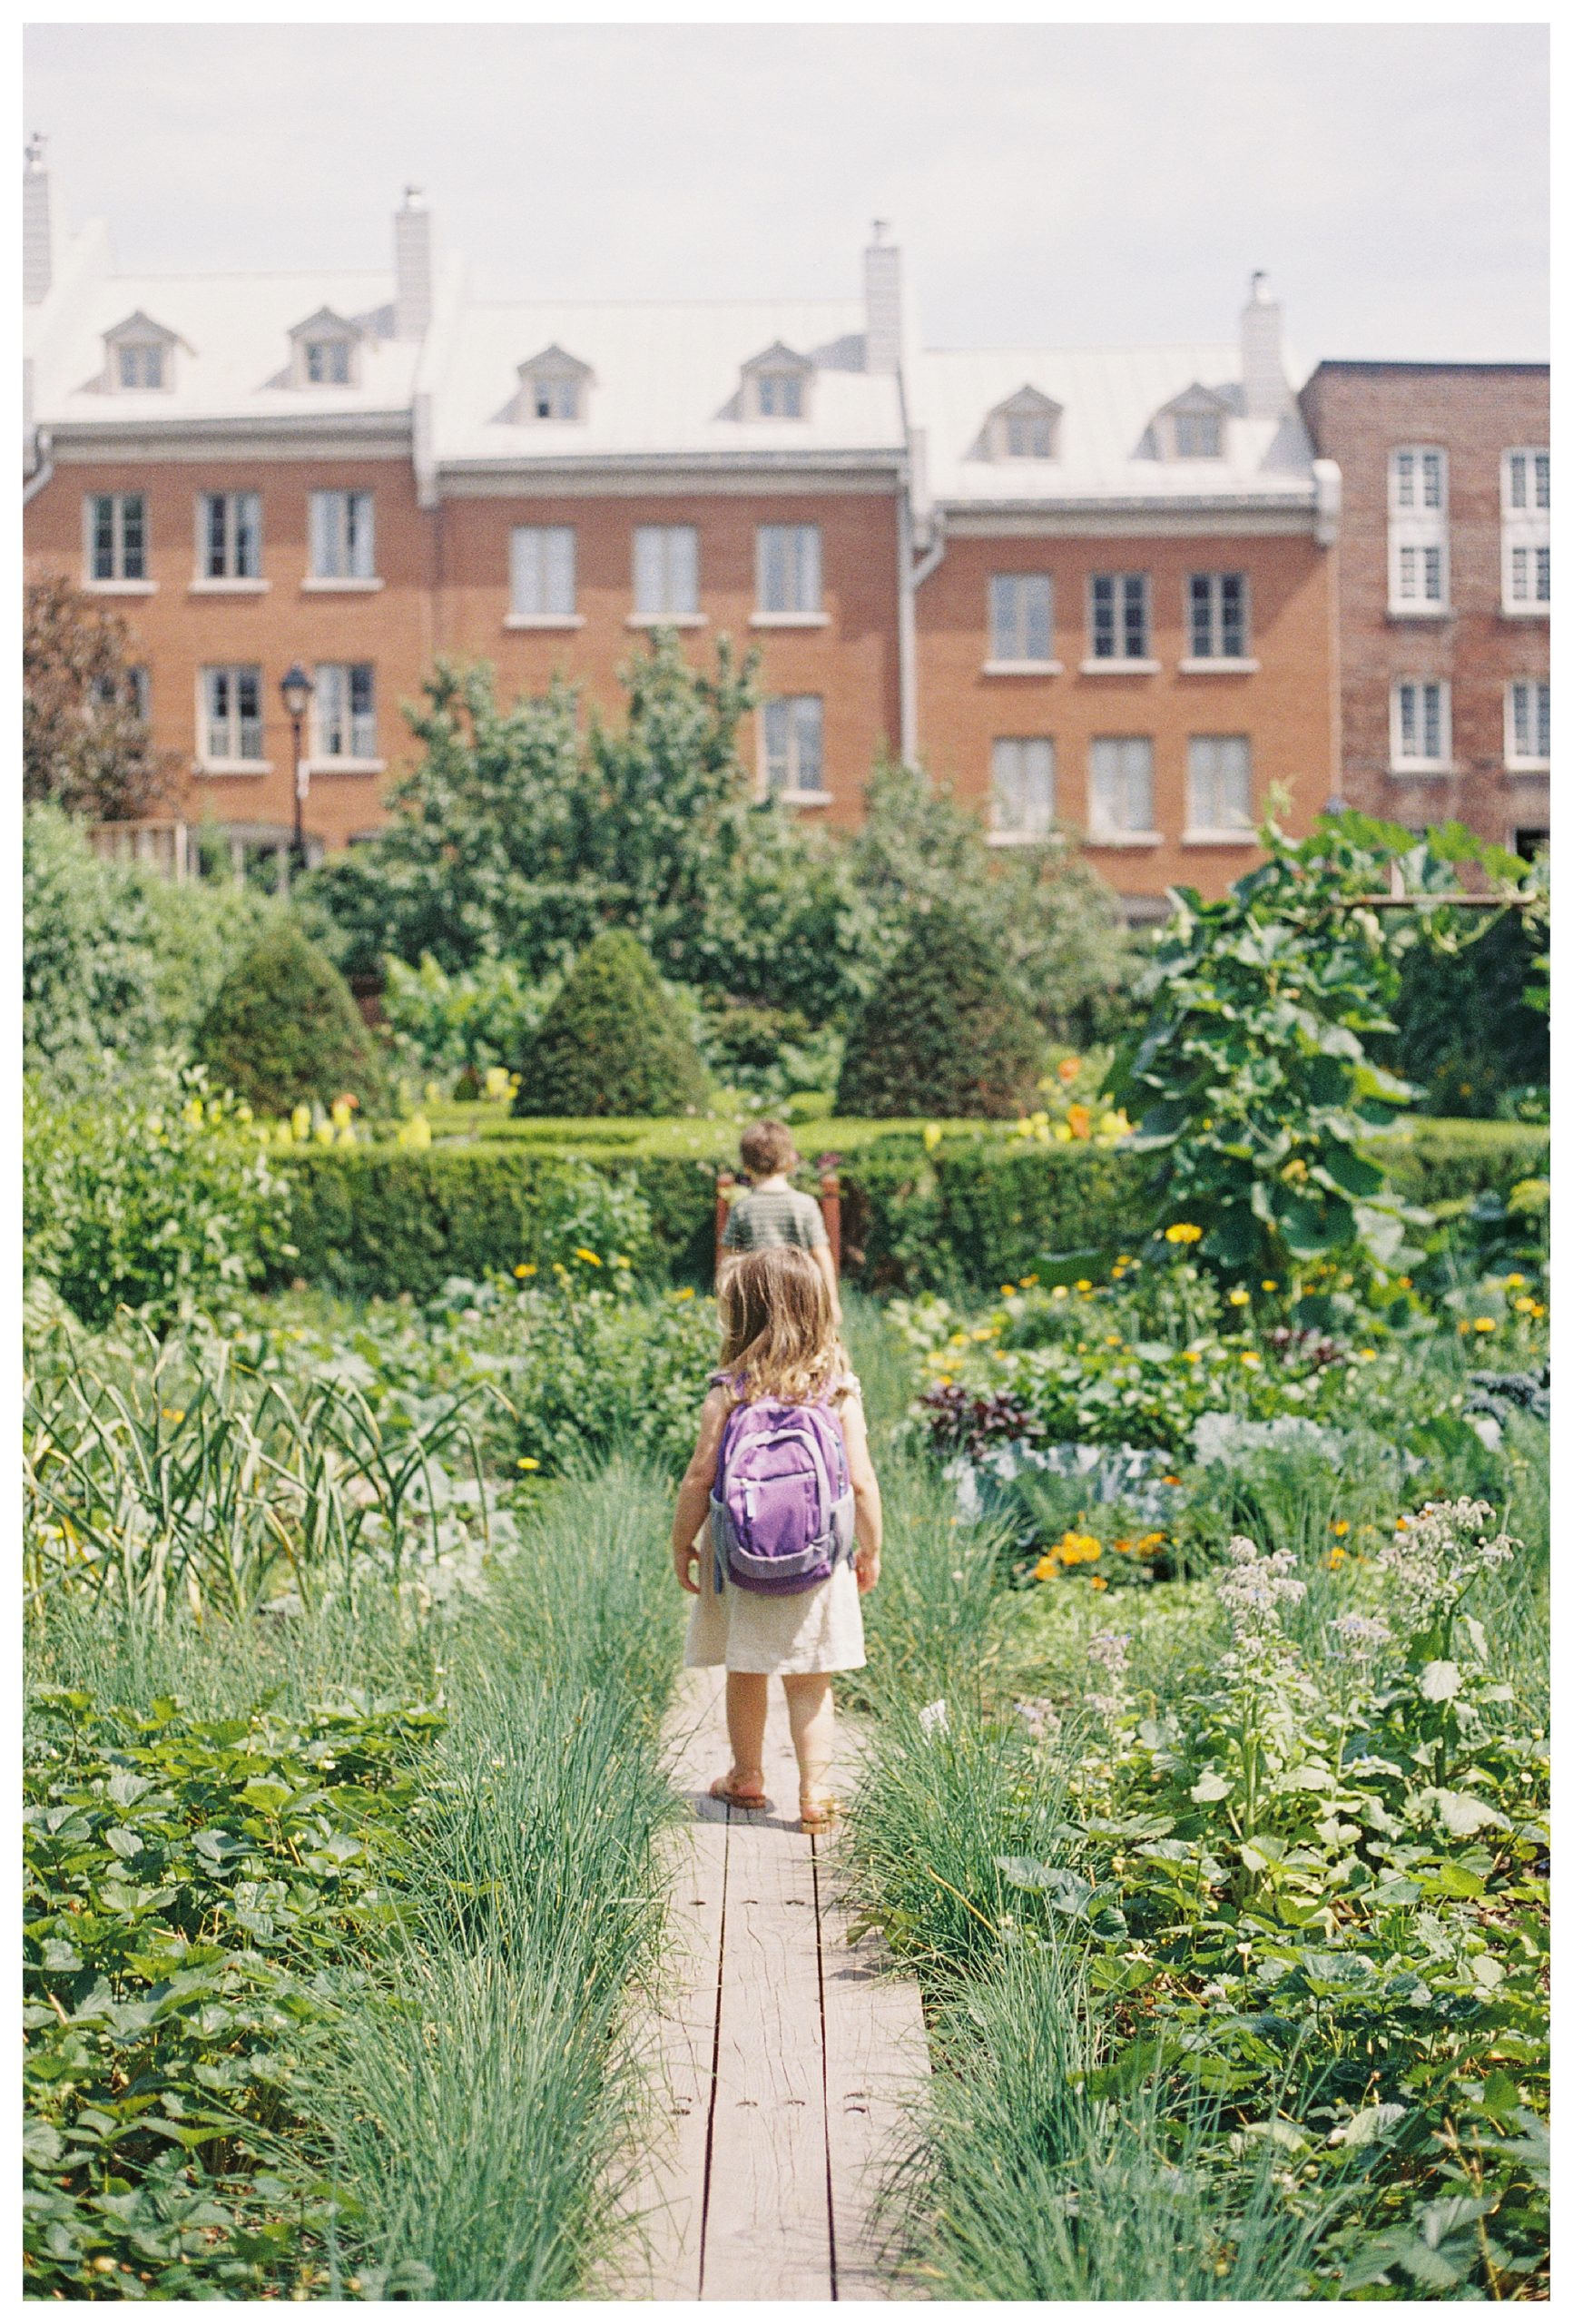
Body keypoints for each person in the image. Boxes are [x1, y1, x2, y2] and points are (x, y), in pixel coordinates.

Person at [672, 1244, 882, 1831]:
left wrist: (680, 1543)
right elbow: (862, 1482)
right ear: (816, 1308)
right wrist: (871, 1548)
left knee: (745, 1669)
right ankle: (815, 1794)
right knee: (810, 1679)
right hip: (819, 1556)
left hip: (741, 1556)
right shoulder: (835, 1388)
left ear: (740, 1315)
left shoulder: (729, 1389)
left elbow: (698, 1477)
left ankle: (746, 1776)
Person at [719, 1118, 841, 1328]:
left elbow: (728, 1259)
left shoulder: (742, 1208)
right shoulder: (806, 1205)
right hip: (800, 1297)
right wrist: (832, 1301)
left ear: (746, 1167)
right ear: (790, 1163)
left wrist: (725, 1304)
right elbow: (821, 1255)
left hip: (756, 1300)